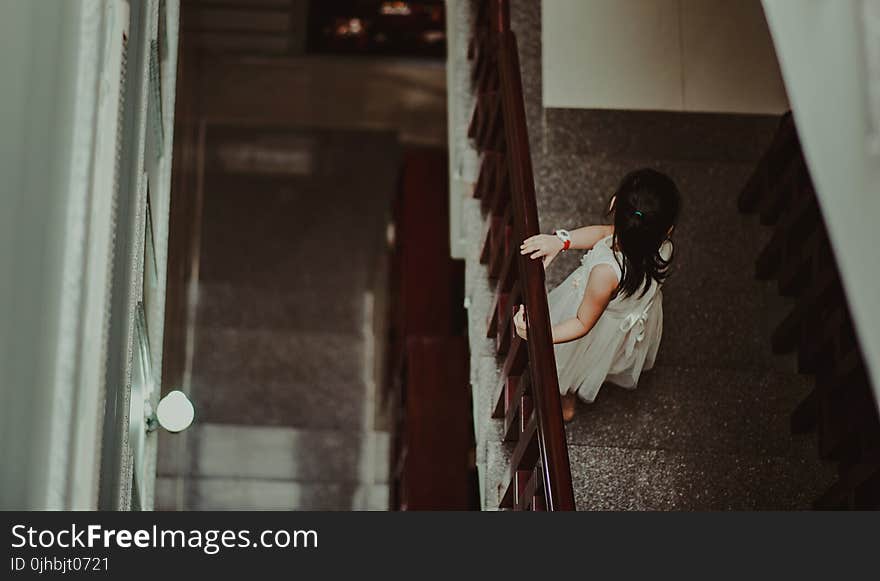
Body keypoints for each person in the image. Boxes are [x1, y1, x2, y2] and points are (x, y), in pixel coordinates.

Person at [514, 168, 681, 422]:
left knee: (573, 362)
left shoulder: (606, 273)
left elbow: (582, 323)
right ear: (667, 229)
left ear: (614, 203)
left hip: (595, 323)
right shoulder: (662, 246)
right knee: (601, 360)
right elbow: (605, 233)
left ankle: (565, 393)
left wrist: (538, 333)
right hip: (623, 320)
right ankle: (572, 387)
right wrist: (562, 241)